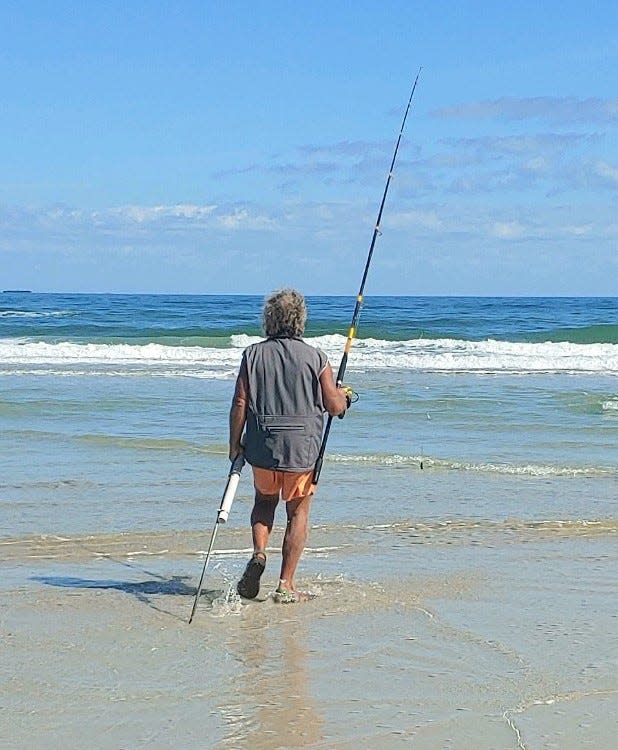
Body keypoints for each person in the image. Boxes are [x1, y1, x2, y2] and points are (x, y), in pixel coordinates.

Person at [229, 289, 349, 603]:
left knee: (264, 502)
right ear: (300, 319)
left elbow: (240, 402)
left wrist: (234, 444)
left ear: (269, 318)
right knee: (297, 513)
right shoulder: (316, 357)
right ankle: (285, 585)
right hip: (302, 450)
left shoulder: (252, 355)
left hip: (262, 446)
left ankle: (259, 552)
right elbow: (333, 406)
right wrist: (344, 396)